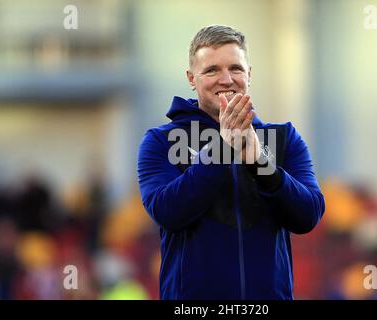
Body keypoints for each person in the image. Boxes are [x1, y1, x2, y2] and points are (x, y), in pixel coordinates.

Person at [137, 25, 325, 300]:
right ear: (192, 78)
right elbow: (167, 212)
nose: (226, 79)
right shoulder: (161, 141)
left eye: (235, 68)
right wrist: (221, 150)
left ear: (249, 74)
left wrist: (260, 163)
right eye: (212, 70)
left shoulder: (284, 137)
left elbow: (308, 215)